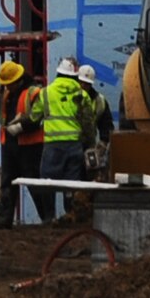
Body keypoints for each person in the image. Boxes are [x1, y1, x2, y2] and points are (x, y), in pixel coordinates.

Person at [0, 60, 47, 226]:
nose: (7, 87)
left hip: (30, 146)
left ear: (17, 80)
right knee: (7, 184)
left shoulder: (34, 92)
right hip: (10, 145)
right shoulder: (6, 93)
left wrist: (21, 127)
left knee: (34, 183)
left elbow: (37, 117)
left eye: (8, 84)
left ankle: (47, 219)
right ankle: (4, 219)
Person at [31, 56, 96, 213]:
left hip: (52, 145)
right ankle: (70, 217)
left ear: (58, 73)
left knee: (47, 183)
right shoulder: (82, 95)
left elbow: (34, 117)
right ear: (75, 76)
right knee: (71, 185)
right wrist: (90, 143)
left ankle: (48, 218)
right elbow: (88, 124)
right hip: (74, 146)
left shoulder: (45, 93)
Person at [76, 62, 114, 177]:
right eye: (81, 82)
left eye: (86, 84)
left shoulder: (99, 101)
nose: (83, 86)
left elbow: (106, 125)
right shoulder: (69, 97)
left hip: (88, 146)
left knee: (89, 179)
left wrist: (102, 143)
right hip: (71, 145)